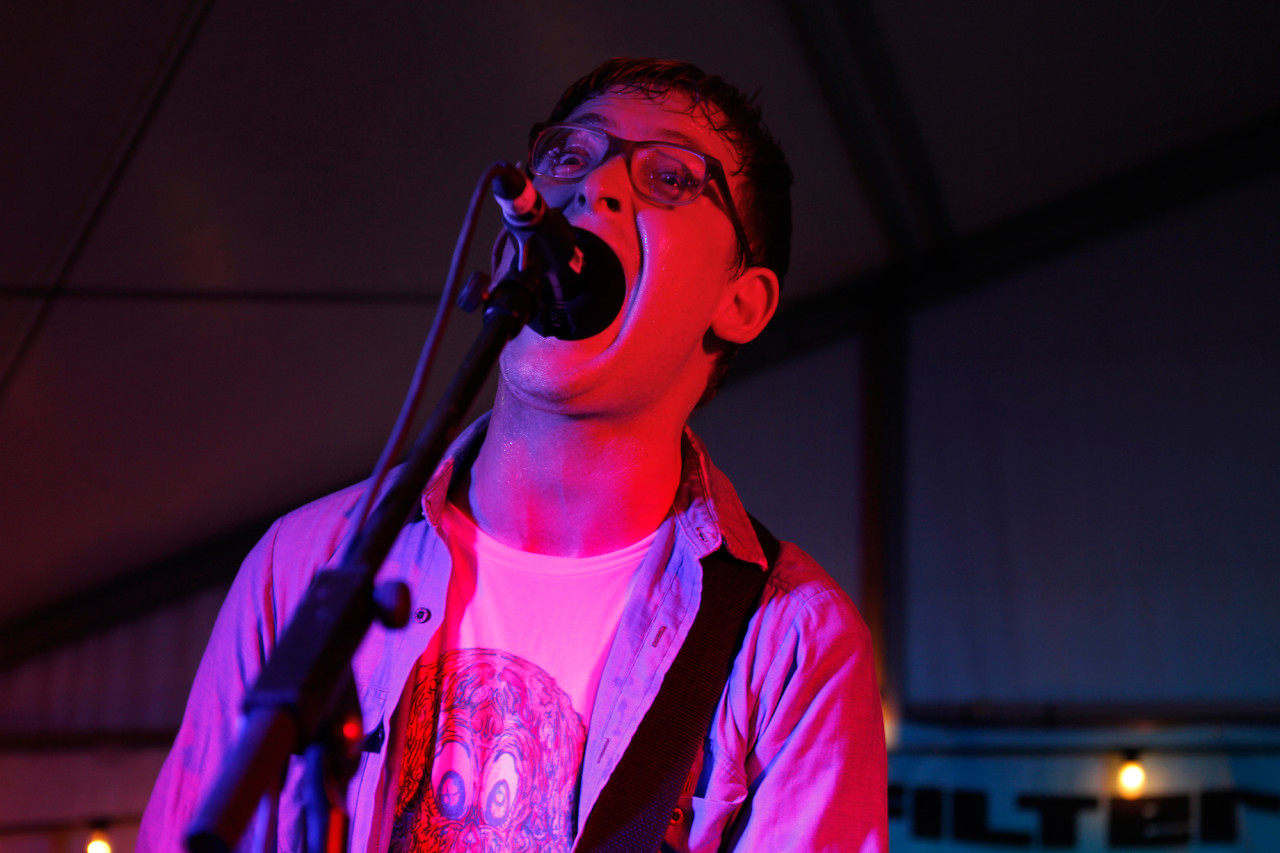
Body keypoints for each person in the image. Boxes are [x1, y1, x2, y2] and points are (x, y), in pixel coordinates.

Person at [140, 57, 887, 852]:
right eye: (569, 154)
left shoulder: (791, 646)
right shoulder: (310, 564)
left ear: (741, 303)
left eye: (670, 176)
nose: (594, 187)